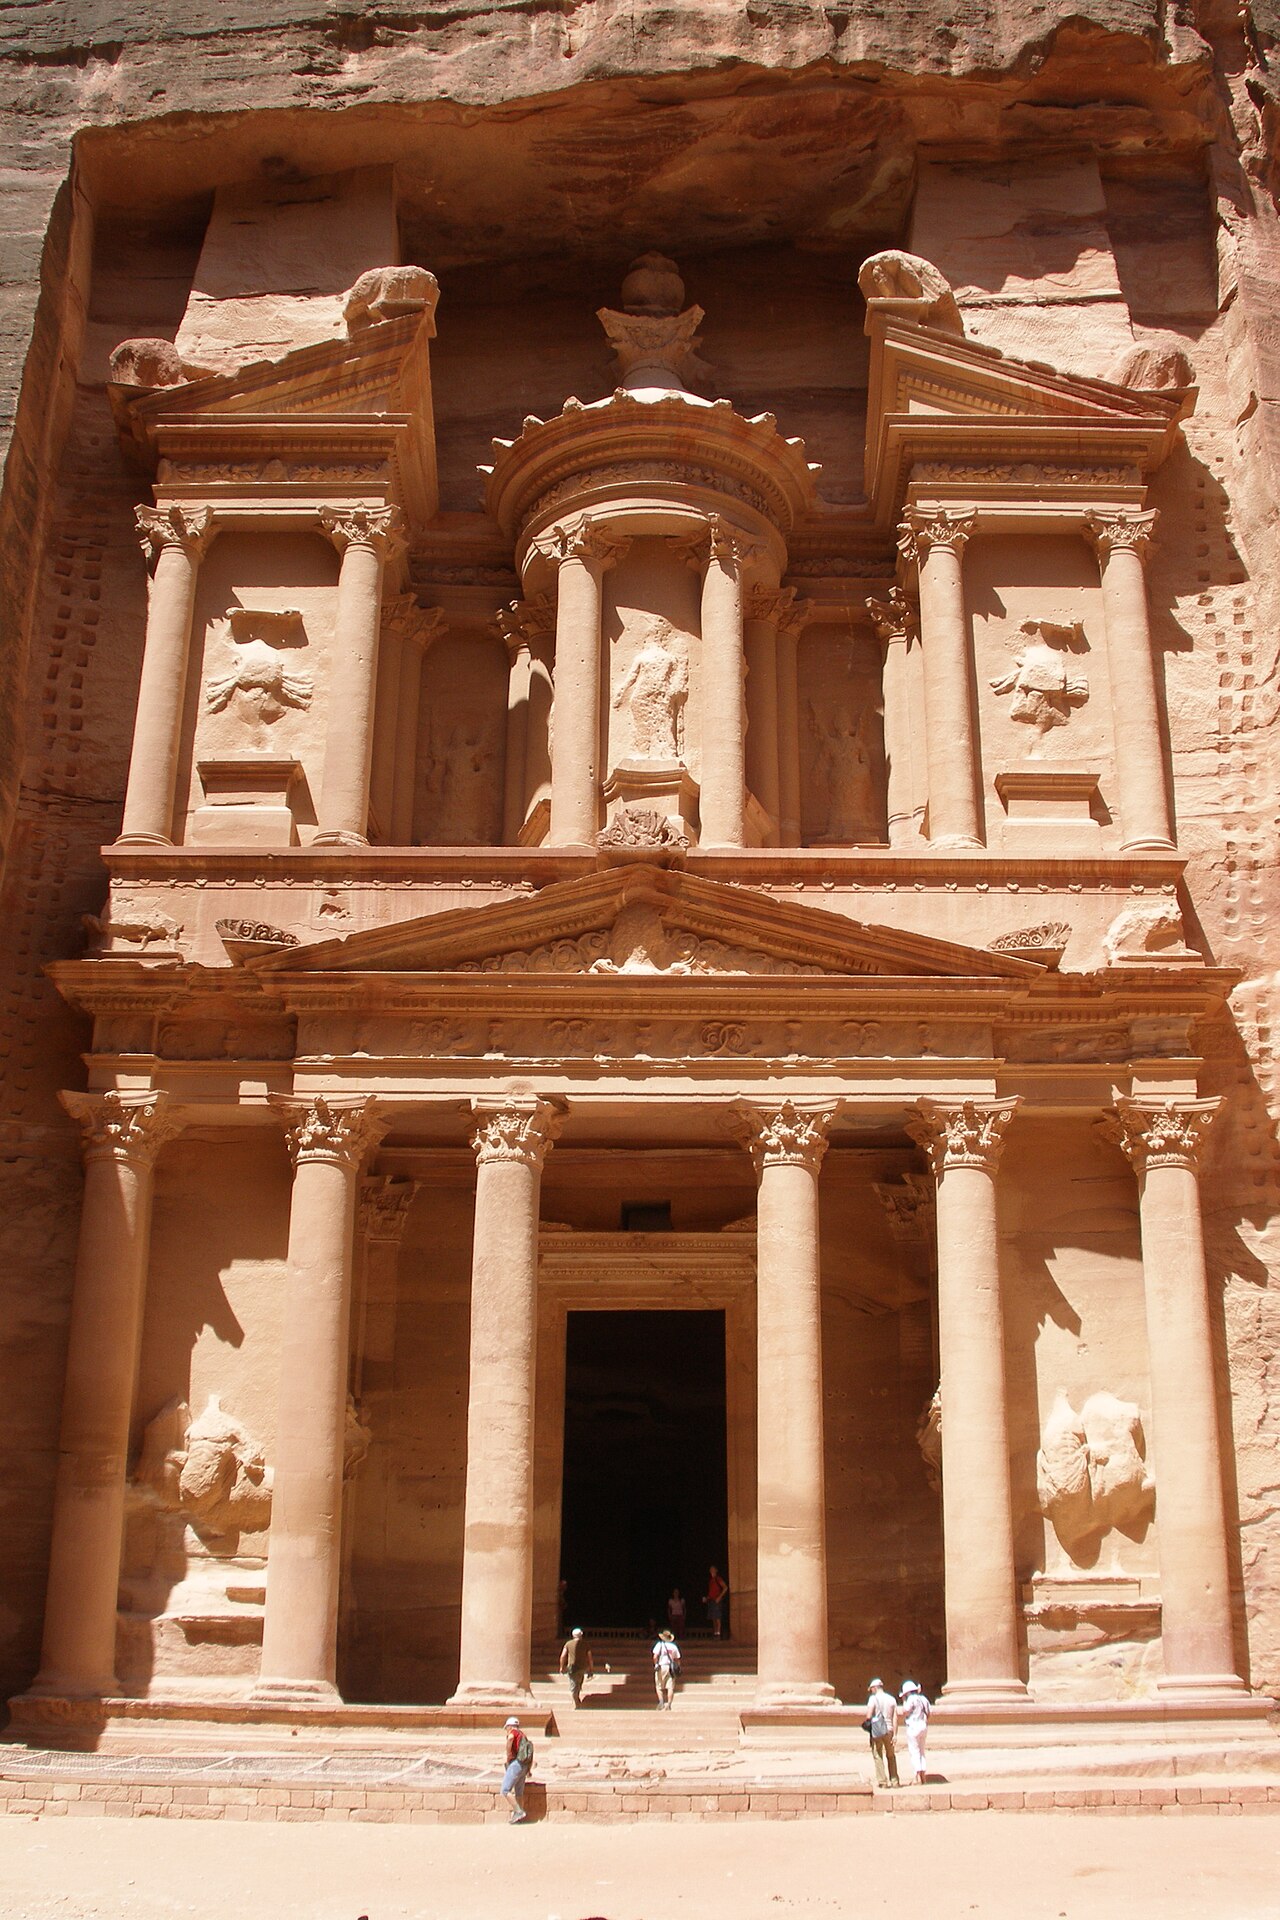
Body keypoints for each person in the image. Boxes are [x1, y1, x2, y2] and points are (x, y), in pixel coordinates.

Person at [864, 1676, 899, 1789]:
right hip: (889, 1729)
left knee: (878, 1755)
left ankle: (882, 1781)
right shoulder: (892, 1699)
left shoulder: (873, 1699)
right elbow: (895, 1718)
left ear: (874, 1688)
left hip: (877, 1730)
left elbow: (869, 1715)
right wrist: (895, 1734)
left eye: (871, 1689)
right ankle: (894, 1780)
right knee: (891, 1755)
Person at [501, 1715, 533, 1823]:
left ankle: (518, 1811)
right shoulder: (523, 1735)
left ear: (510, 1726)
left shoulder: (513, 1732)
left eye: (506, 1728)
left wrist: (508, 1753)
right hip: (524, 1766)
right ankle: (520, 1817)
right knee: (519, 1793)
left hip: (516, 1764)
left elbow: (510, 1738)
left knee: (505, 1790)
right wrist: (528, 1770)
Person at [899, 1679, 931, 1785]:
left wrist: (904, 1701)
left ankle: (917, 1777)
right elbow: (929, 1713)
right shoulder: (924, 1699)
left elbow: (905, 1711)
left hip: (913, 1726)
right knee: (922, 1752)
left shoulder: (911, 1699)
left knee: (914, 1752)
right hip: (923, 1725)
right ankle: (923, 1776)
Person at [558, 1626, 594, 1708]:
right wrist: (591, 1669)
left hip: (572, 1668)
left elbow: (563, 1656)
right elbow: (590, 1658)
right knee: (579, 1683)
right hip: (582, 1667)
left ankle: (576, 1700)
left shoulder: (568, 1644)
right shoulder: (585, 1644)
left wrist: (561, 1667)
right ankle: (577, 1701)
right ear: (581, 1635)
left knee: (574, 1685)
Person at [652, 1628, 681, 1709]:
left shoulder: (659, 1645)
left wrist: (656, 1664)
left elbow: (655, 1656)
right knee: (670, 1687)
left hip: (661, 1666)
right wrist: (678, 1667)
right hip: (670, 1667)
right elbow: (677, 1659)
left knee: (659, 1686)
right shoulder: (674, 1646)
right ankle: (669, 1704)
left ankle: (661, 1702)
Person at [703, 1565, 728, 1639]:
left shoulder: (718, 1579)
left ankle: (718, 1633)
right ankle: (715, 1633)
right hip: (711, 1600)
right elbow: (711, 1592)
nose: (711, 1571)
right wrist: (707, 1598)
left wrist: (719, 1597)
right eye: (710, 1569)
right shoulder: (711, 1581)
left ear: (716, 1570)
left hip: (717, 1600)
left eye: (713, 1569)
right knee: (713, 1618)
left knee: (717, 1617)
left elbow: (725, 1588)